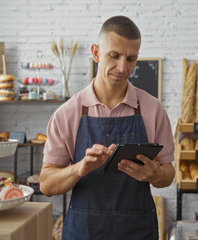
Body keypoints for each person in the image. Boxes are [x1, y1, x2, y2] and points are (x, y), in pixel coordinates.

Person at [40, 15, 175, 240]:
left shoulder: (153, 109)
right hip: (84, 232)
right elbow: (46, 184)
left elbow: (168, 175)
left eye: (131, 59)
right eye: (114, 56)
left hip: (138, 232)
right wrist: (80, 168)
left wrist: (154, 174)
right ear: (96, 53)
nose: (122, 67)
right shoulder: (67, 114)